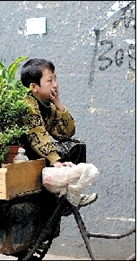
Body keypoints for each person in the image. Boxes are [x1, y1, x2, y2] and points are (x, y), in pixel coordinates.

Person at [20, 58, 97, 208]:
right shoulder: (27, 103)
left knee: (77, 145)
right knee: (61, 154)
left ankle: (70, 194)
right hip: (24, 154)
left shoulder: (48, 104)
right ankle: (68, 197)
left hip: (39, 153)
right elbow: (38, 135)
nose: (55, 85)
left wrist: (59, 105)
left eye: (55, 79)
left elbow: (66, 133)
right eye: (49, 81)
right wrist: (55, 161)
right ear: (34, 87)